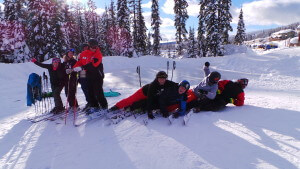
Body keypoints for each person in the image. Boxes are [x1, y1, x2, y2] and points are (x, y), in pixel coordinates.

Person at [108, 71, 177, 119]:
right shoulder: (153, 85)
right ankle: (116, 106)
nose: (162, 80)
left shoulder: (167, 83)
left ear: (165, 79)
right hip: (143, 93)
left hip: (153, 95)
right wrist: (149, 112)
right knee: (130, 100)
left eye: (163, 79)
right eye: (160, 79)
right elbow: (149, 99)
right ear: (157, 78)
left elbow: (178, 86)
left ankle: (133, 107)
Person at [73, 39, 108, 113]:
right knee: (90, 92)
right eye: (92, 47)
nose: (94, 48)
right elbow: (80, 62)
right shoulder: (83, 53)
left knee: (98, 92)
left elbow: (93, 65)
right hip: (88, 76)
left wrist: (82, 68)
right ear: (89, 46)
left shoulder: (98, 54)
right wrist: (74, 68)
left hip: (97, 75)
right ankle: (95, 106)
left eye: (96, 47)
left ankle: (104, 106)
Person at [77, 43, 90, 110]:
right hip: (82, 72)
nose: (85, 48)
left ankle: (93, 102)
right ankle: (89, 102)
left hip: (90, 72)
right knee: (84, 87)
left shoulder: (91, 53)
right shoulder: (80, 55)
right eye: (84, 47)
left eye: (86, 47)